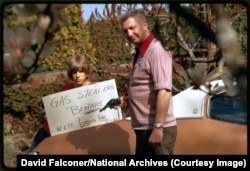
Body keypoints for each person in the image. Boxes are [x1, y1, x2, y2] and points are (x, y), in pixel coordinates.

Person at [118, 9, 177, 155]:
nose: (129, 34)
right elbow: (145, 86)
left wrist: (158, 127)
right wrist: (129, 99)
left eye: (132, 28)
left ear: (144, 25)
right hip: (144, 129)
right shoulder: (141, 53)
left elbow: (164, 91)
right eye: (125, 31)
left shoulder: (157, 50)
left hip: (155, 129)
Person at [28, 55, 93, 153]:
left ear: (86, 72)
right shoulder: (65, 88)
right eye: (74, 72)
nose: (78, 75)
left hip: (75, 137)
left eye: (81, 71)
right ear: (71, 74)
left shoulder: (95, 89)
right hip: (50, 130)